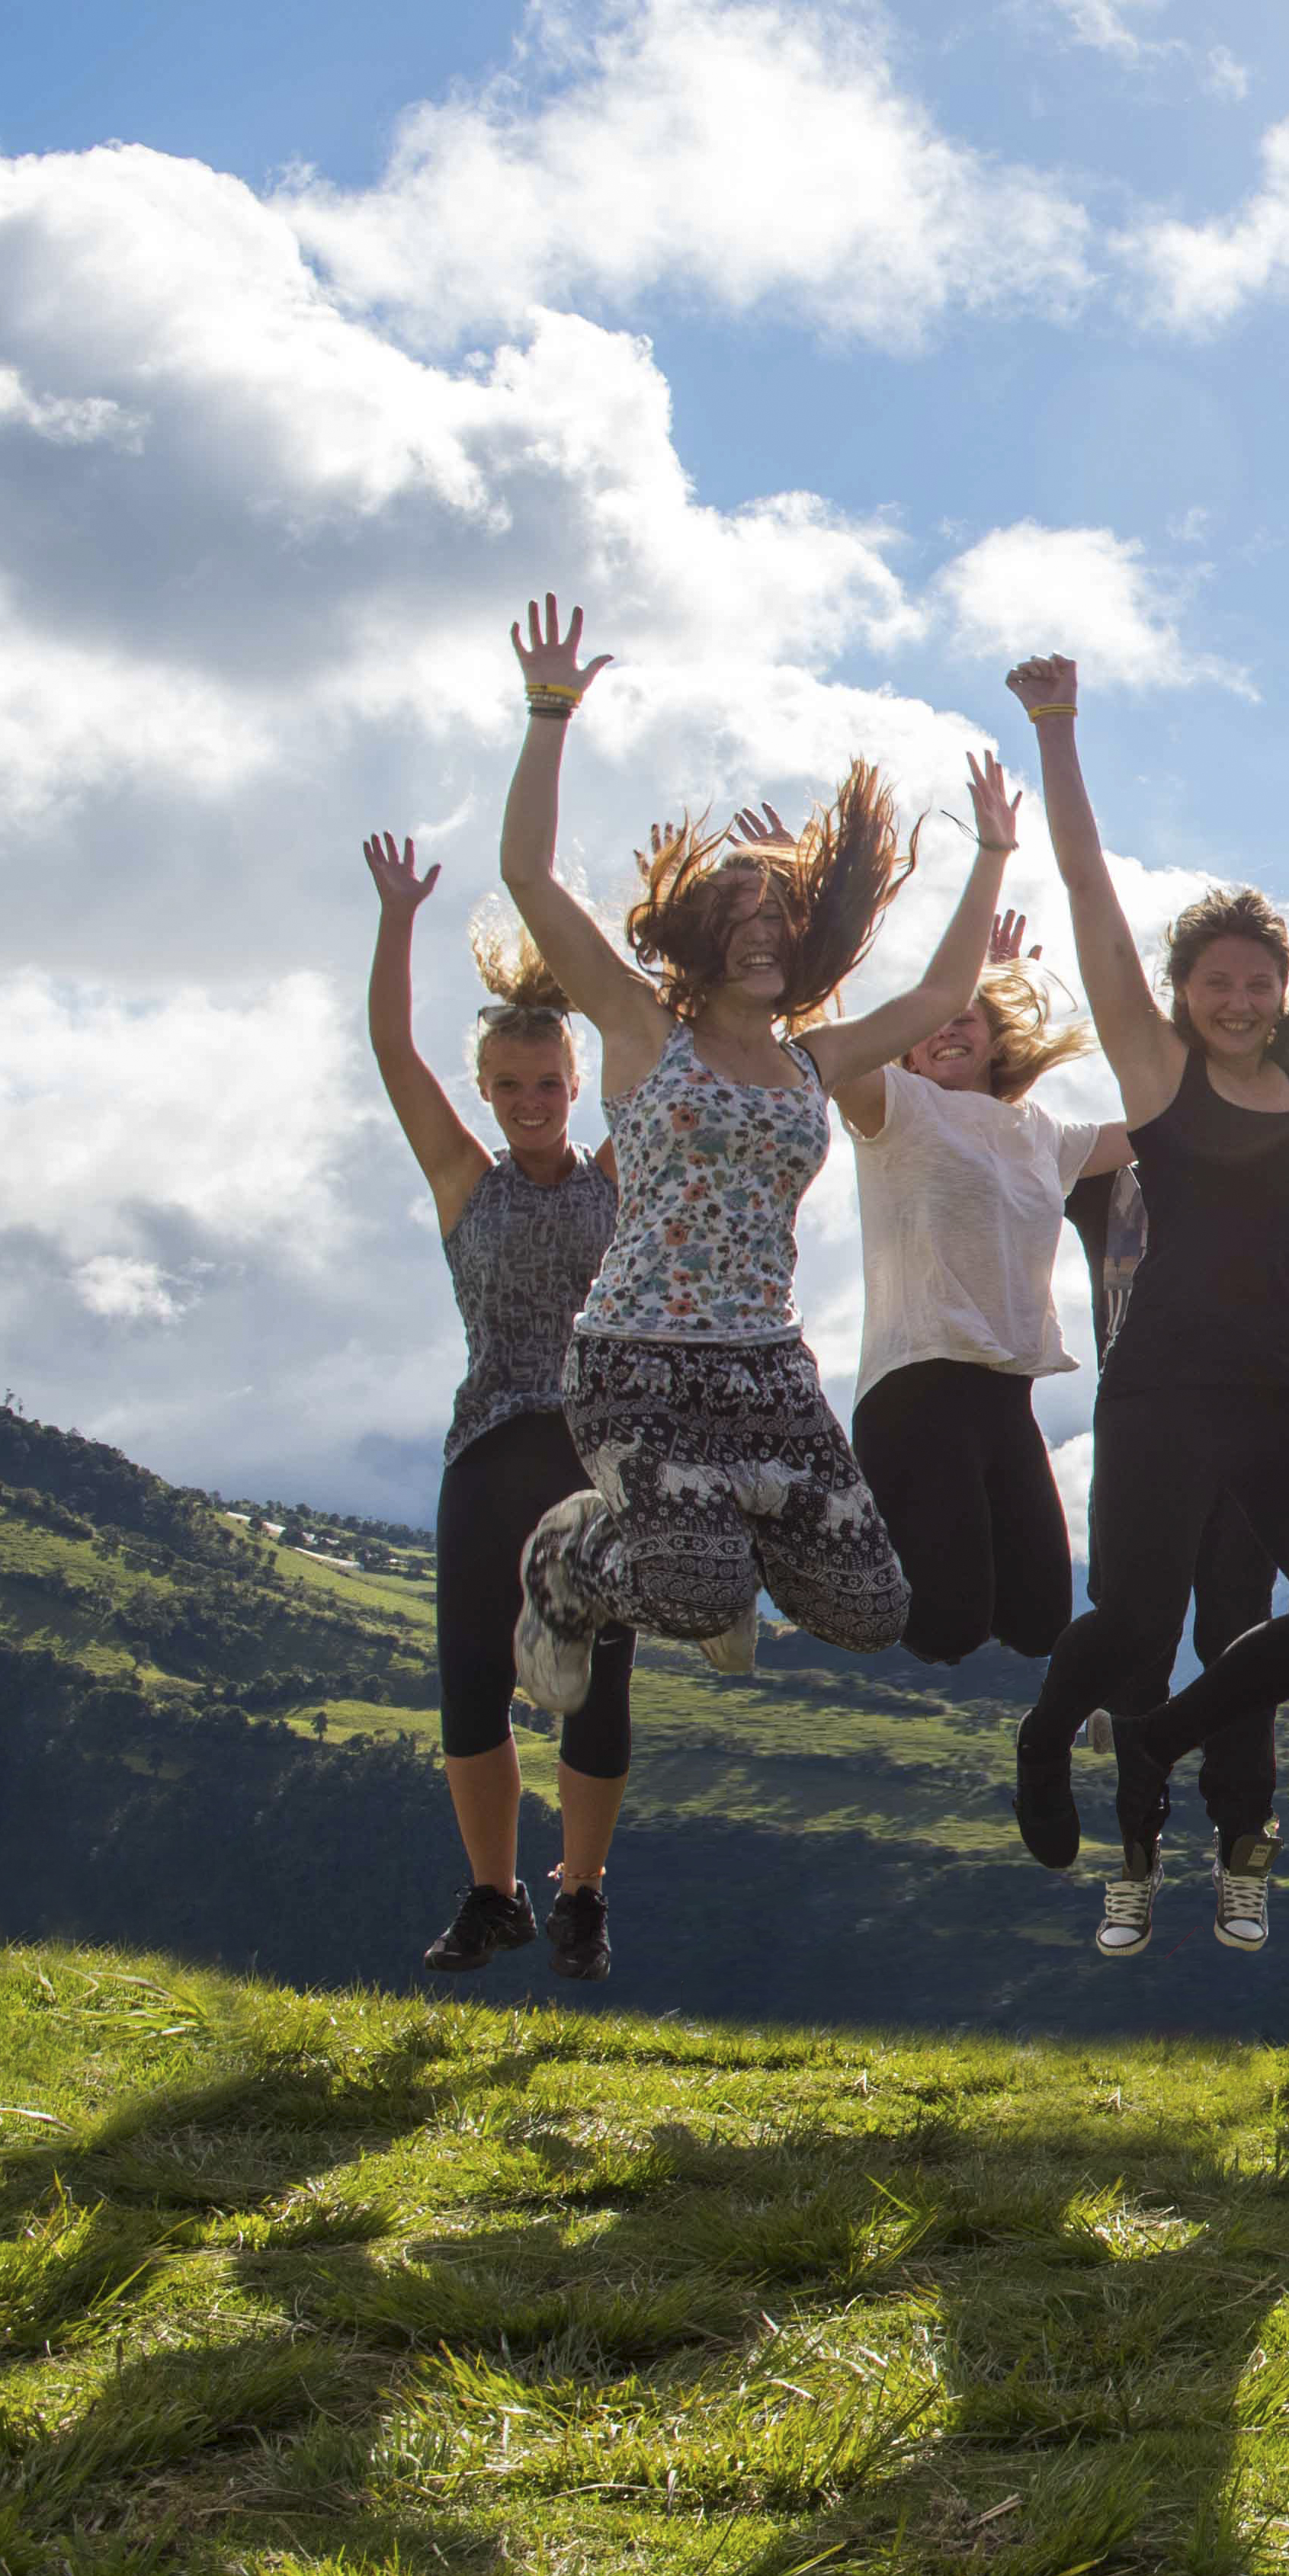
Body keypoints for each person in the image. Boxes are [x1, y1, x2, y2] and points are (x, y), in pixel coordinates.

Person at [493, 598, 996, 1985]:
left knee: (867, 1608)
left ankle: (715, 1525)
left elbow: (949, 984)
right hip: (639, 1360)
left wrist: (996, 849)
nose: (764, 934)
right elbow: (531, 880)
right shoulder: (640, 1032)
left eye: (779, 916)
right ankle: (568, 1560)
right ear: (700, 937)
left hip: (767, 1373)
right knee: (693, 1581)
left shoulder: (814, 1061)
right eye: (741, 916)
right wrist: (549, 715)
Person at [1009, 655, 1289, 1959]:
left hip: (1280, 1394)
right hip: (1164, 1389)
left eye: (1259, 983)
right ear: (1183, 991)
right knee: (1127, 1620)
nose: (1240, 1001)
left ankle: (1169, 1736)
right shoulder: (1156, 1069)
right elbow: (1088, 894)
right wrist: (1058, 731)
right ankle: (1050, 1734)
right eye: (1217, 982)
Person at [363, 831, 629, 1978]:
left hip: (597, 1463)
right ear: (487, 1093)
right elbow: (390, 1050)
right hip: (487, 1451)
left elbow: (678, 1079)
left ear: (576, 1091)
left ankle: (581, 1899)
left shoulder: (620, 1180)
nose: (530, 1102)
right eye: (510, 1087)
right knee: (470, 1681)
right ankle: (492, 1895)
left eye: (549, 1086)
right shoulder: (462, 1181)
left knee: (597, 1686)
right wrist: (396, 918)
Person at [840, 912, 1127, 1665]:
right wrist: (820, 947)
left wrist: (1250, 1053)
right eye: (927, 1023)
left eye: (961, 1018)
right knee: (947, 1625)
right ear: (902, 1046)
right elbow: (830, 1053)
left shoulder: (1043, 1133)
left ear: (996, 1038)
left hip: (1005, 1398)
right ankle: (799, 1550)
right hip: (916, 1389)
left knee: (1039, 1625)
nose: (943, 1031)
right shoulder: (896, 1108)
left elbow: (1160, 1128)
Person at [1058, 1161, 1287, 1953]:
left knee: (1240, 1648)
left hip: (1249, 1442)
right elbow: (997, 1143)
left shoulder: (1269, 1173)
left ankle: (1243, 1852)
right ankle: (1133, 1857)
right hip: (1140, 1444)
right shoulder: (1108, 1189)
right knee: (1135, 1650)